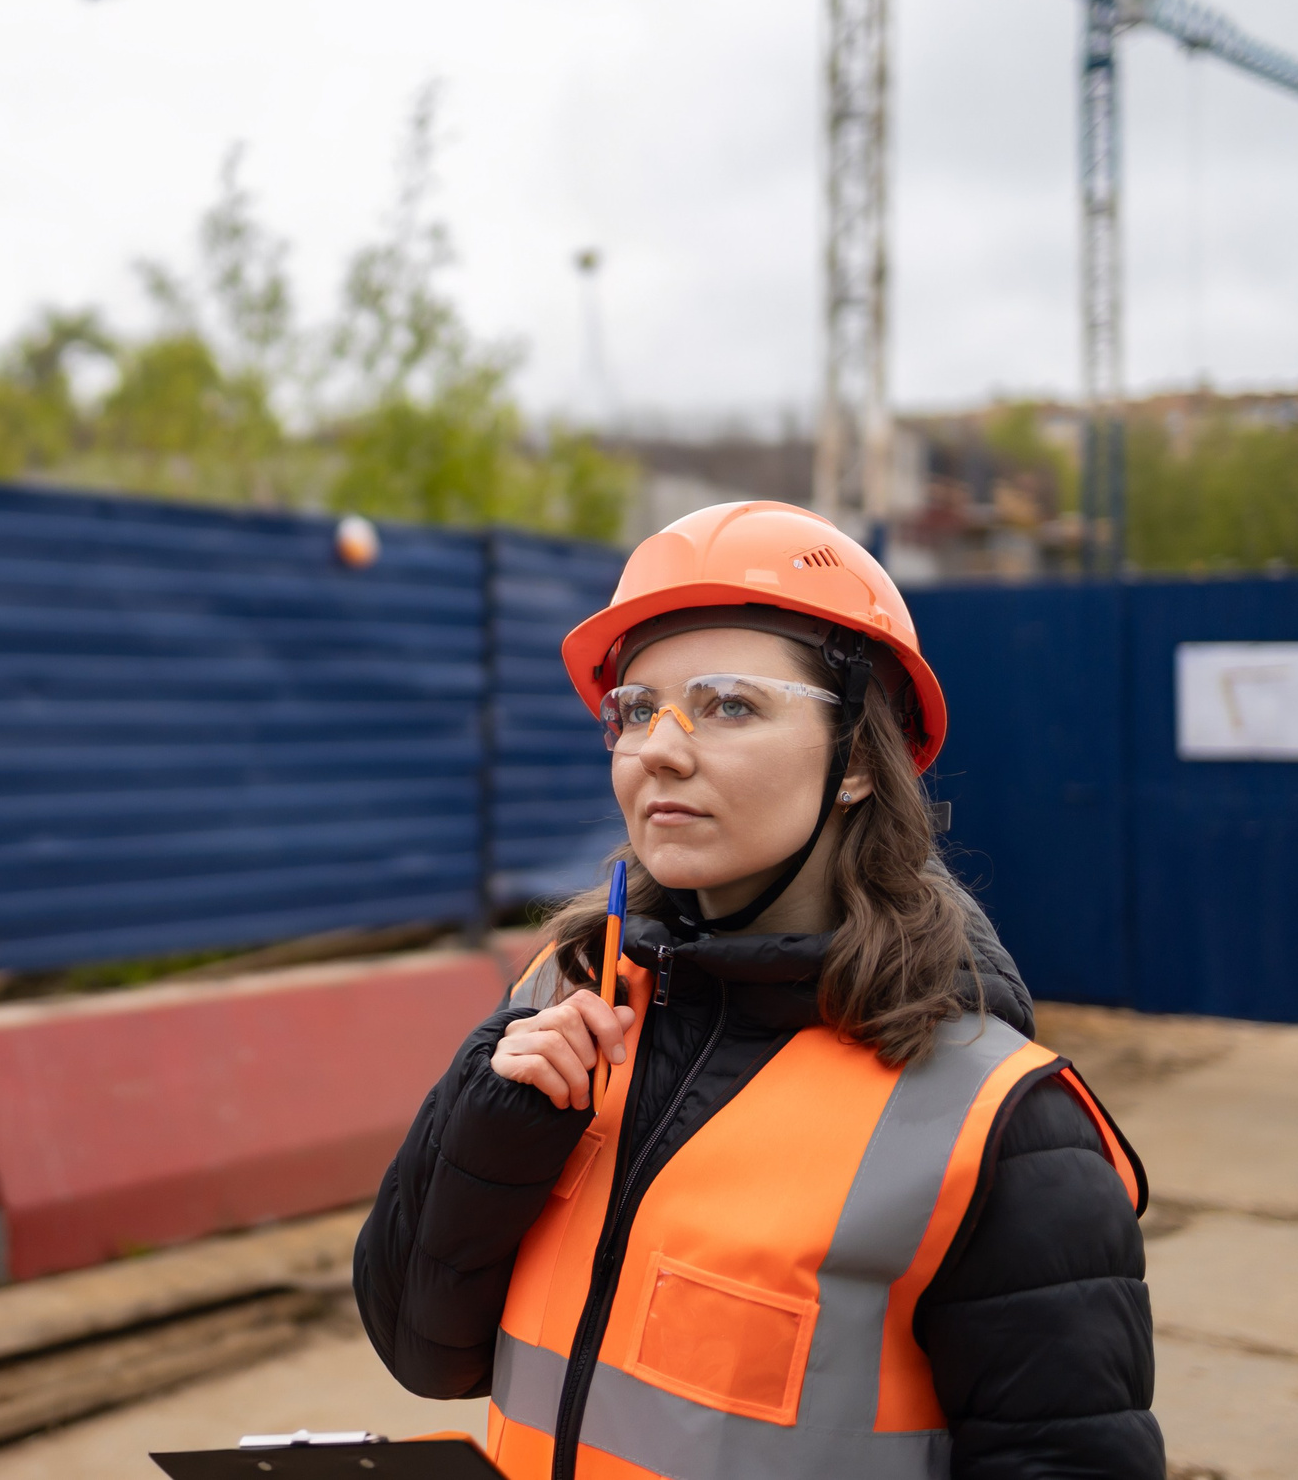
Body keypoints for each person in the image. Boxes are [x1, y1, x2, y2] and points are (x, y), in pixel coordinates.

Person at [354, 501, 1162, 1480]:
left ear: (859, 760)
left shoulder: (996, 1123)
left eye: (728, 703)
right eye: (637, 708)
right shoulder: (561, 992)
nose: (658, 747)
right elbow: (424, 1353)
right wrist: (494, 1133)